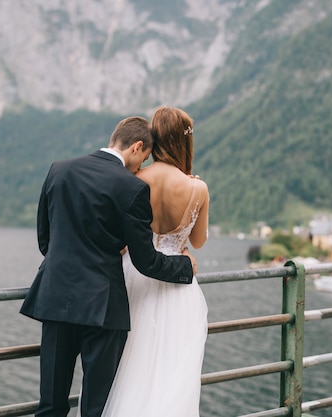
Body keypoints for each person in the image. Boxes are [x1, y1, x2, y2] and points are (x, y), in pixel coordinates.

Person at [20, 115, 196, 417]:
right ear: (137, 147)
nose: (140, 169)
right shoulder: (131, 188)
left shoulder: (59, 170)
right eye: (142, 161)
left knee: (50, 404)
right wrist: (184, 266)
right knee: (96, 408)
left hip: (55, 300)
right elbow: (146, 262)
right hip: (103, 308)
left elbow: (45, 241)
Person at [100, 106, 210, 417]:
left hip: (133, 279)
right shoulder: (197, 187)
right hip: (178, 287)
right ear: (184, 142)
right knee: (172, 375)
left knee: (129, 367)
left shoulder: (134, 179)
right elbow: (198, 241)